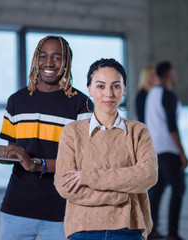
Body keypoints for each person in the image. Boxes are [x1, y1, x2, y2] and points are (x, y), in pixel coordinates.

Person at [0, 35, 92, 240]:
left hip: (61, 210)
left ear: (67, 62)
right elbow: (15, 153)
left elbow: (82, 161)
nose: (49, 63)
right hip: (17, 207)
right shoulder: (17, 101)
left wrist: (36, 164)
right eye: (43, 56)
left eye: (57, 57)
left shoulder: (81, 104)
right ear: (36, 59)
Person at [54, 58, 158, 240]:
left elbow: (147, 176)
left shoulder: (138, 131)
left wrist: (87, 176)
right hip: (83, 230)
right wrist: (122, 195)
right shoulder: (72, 132)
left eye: (116, 86)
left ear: (124, 90)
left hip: (129, 229)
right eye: (101, 86)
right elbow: (65, 187)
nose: (108, 93)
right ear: (90, 89)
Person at [145, 61, 188, 240]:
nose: (176, 75)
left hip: (155, 149)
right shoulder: (168, 95)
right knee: (178, 189)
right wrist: (182, 152)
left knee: (158, 190)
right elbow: (172, 127)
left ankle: (152, 229)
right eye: (175, 71)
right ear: (169, 74)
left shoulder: (151, 94)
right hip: (169, 150)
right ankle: (173, 233)